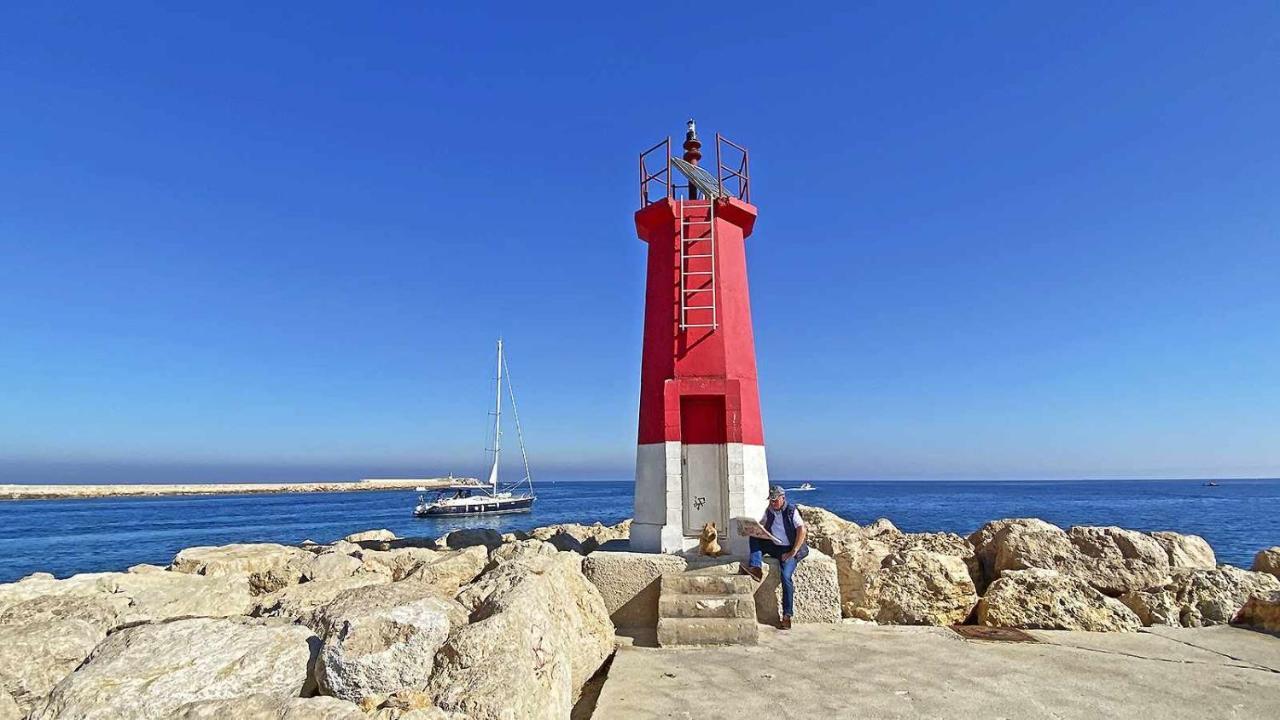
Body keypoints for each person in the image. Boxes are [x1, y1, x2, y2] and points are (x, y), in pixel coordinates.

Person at [742, 484, 808, 629]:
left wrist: (792, 552)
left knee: (785, 576)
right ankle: (756, 568)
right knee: (754, 538)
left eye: (775, 500)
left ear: (782, 498)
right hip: (775, 546)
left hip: (789, 549)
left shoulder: (791, 511)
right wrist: (753, 529)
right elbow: (764, 524)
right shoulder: (770, 511)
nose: (772, 503)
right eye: (771, 500)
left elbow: (802, 530)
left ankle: (787, 615)